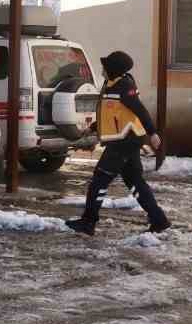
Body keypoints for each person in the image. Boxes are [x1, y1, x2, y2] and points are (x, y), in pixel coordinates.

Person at [65, 50, 171, 236]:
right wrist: (94, 128)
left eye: (105, 67)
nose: (102, 70)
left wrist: (152, 132)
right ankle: (159, 220)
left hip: (125, 140)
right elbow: (112, 113)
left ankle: (88, 222)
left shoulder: (124, 86)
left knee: (99, 180)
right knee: (135, 181)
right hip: (123, 140)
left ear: (113, 69)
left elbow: (140, 110)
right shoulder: (110, 84)